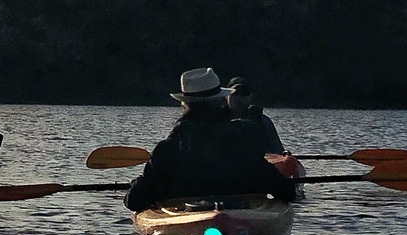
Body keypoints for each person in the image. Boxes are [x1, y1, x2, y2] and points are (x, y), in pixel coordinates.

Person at [126, 67, 295, 212]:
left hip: (187, 220)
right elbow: (288, 192)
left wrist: (137, 183)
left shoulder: (168, 148)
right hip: (241, 218)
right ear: (222, 101)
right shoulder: (243, 140)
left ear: (184, 104)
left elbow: (134, 201)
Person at [225, 76, 287, 155]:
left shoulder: (263, 121)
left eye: (244, 93)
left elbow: (277, 150)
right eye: (234, 93)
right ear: (226, 96)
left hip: (256, 164)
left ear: (251, 96)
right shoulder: (216, 118)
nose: (239, 97)